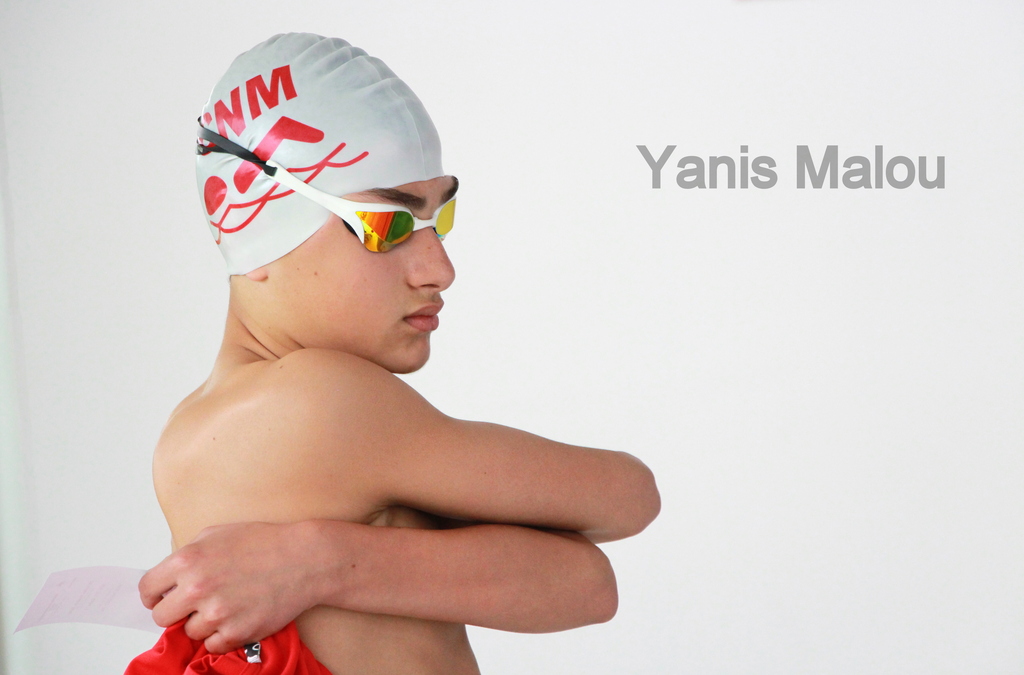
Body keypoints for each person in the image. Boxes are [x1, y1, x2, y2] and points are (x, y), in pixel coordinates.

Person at [130, 33, 660, 675]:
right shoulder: (315, 400)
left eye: (441, 220)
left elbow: (584, 585)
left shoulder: (195, 429)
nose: (440, 269)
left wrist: (319, 561)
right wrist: (322, 563)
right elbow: (627, 497)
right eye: (387, 225)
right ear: (252, 223)